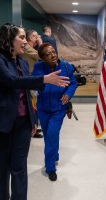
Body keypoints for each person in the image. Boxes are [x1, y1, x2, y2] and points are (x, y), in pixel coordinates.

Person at [0, 24, 69, 200]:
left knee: (19, 167)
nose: (26, 41)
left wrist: (33, 120)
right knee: (2, 166)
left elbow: (26, 89)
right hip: (1, 125)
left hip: (22, 123)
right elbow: (12, 81)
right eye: (22, 37)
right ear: (9, 39)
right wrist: (44, 79)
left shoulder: (22, 61)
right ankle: (4, 199)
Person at [32, 43, 78, 181]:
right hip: (43, 108)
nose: (53, 55)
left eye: (53, 51)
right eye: (48, 54)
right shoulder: (38, 67)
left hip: (59, 108)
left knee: (52, 134)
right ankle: (54, 154)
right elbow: (34, 83)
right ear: (42, 58)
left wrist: (68, 94)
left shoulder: (66, 67)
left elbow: (73, 83)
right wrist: (43, 84)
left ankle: (50, 167)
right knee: (48, 135)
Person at [22, 30, 43, 138]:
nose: (37, 37)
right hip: (29, 78)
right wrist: (40, 43)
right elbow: (41, 55)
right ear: (29, 38)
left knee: (34, 103)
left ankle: (34, 126)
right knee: (32, 104)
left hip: (32, 77)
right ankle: (32, 127)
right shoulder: (26, 47)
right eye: (35, 36)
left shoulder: (29, 48)